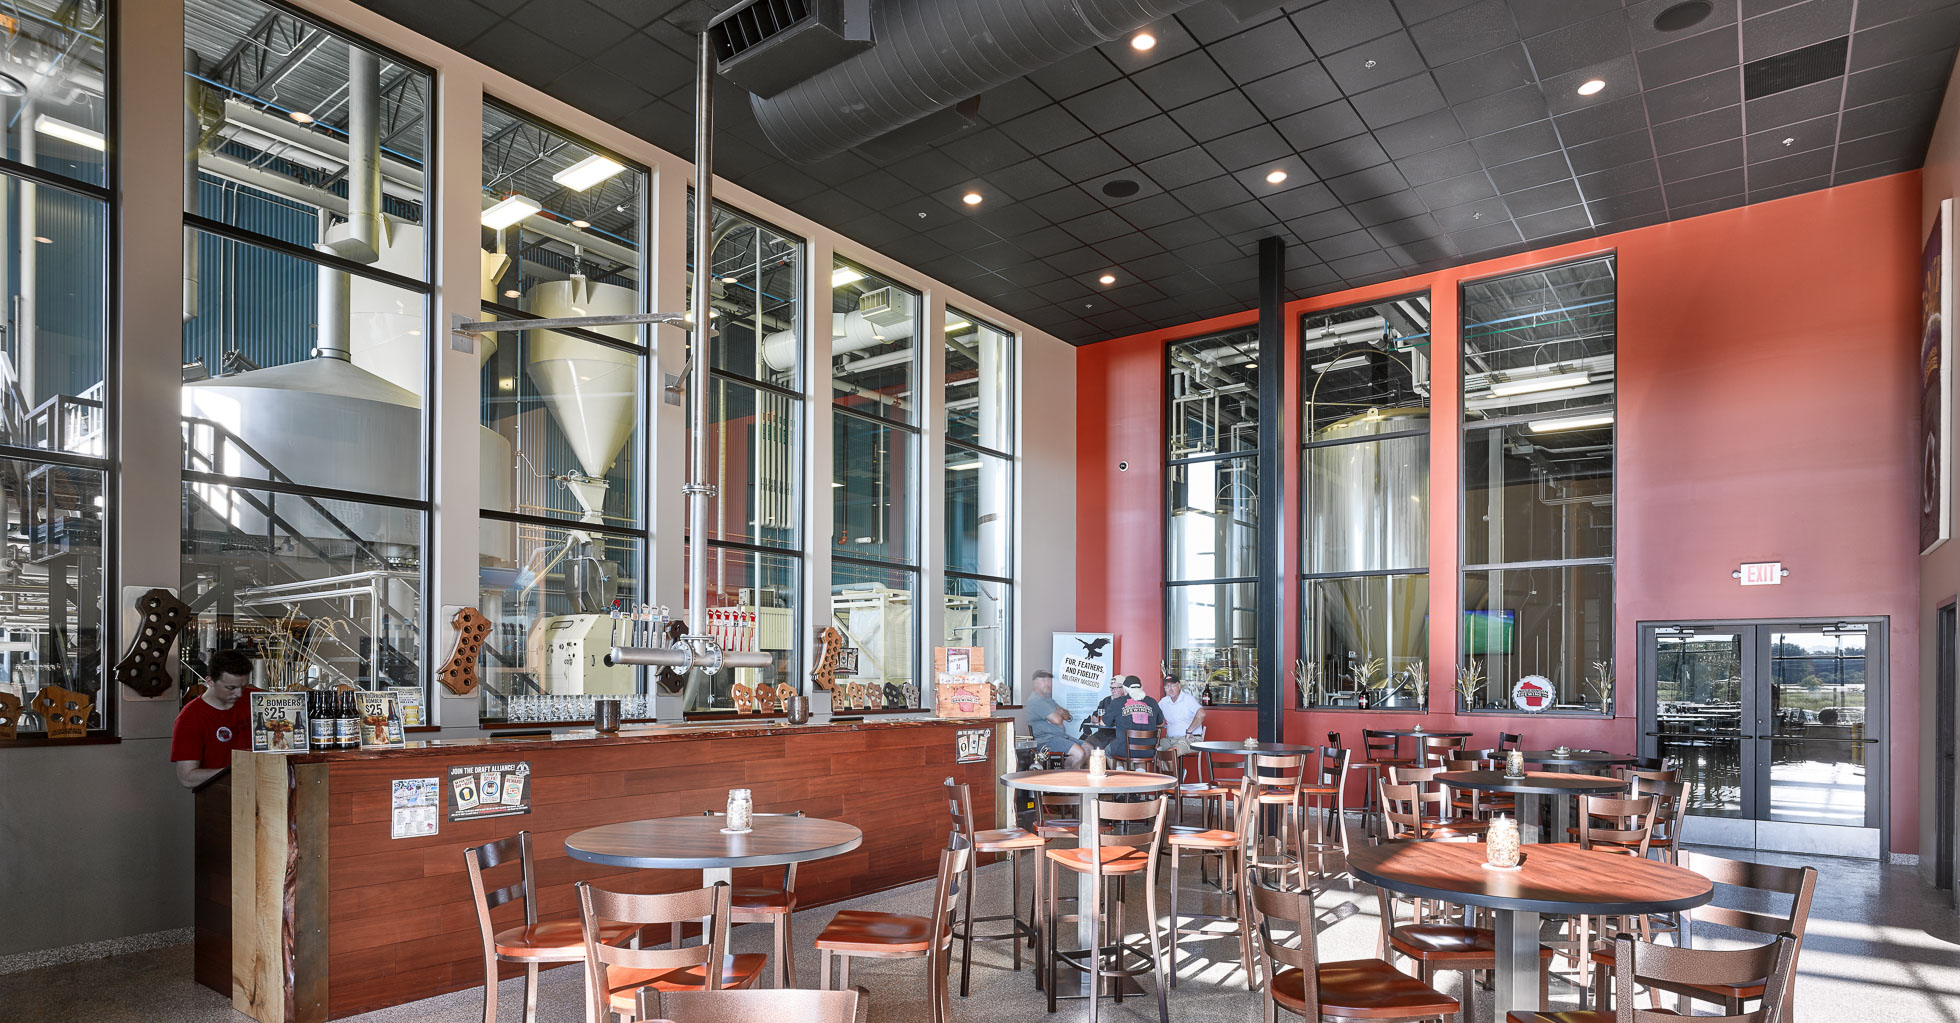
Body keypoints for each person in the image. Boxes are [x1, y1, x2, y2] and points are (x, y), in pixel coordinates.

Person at [170, 649, 257, 789]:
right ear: (209, 681)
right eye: (230, 688)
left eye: (243, 686)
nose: (239, 693)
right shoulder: (190, 718)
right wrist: (237, 772)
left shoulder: (257, 699)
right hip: (220, 798)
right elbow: (187, 777)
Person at [1021, 669, 1086, 768]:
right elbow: (1058, 720)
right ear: (1035, 683)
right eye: (1043, 681)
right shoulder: (1036, 701)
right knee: (1079, 753)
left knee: (1089, 748)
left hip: (1061, 736)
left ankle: (1078, 775)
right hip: (1046, 740)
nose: (1047, 683)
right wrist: (1059, 713)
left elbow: (1067, 715)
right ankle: (1066, 778)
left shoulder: (1048, 700)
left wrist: (1057, 713)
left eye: (1048, 680)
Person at [1093, 675, 1164, 763]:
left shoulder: (1117, 702)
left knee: (1108, 750)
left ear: (1125, 689)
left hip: (1125, 750)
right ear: (1141, 688)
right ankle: (1140, 772)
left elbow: (1103, 723)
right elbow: (1161, 723)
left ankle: (1120, 771)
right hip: (1149, 750)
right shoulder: (1152, 702)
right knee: (1138, 750)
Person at [1157, 679, 1207, 762]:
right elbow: (1156, 718)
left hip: (1190, 739)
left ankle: (1174, 774)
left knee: (1171, 753)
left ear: (1179, 686)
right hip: (1169, 740)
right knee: (1153, 751)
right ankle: (1173, 773)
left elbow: (1201, 713)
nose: (1170, 689)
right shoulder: (1164, 702)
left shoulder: (1188, 699)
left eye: (1173, 685)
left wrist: (1189, 731)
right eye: (1167, 686)